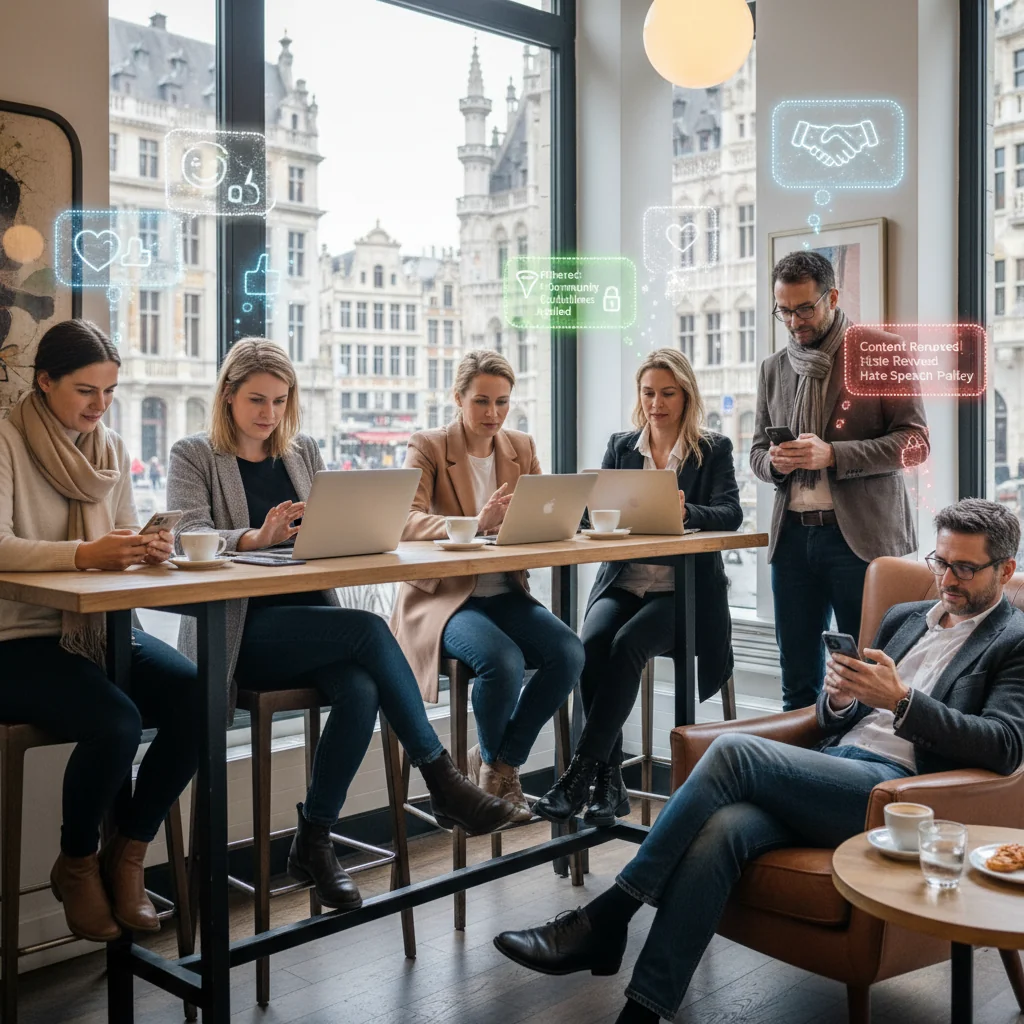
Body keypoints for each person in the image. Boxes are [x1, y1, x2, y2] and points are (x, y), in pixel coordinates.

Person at [495, 498, 1024, 1024]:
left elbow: (1004, 743)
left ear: (1005, 570)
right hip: (834, 768)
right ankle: (642, 1012)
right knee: (723, 829)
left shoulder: (1013, 640)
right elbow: (834, 716)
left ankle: (608, 917)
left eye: (965, 568)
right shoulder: (905, 617)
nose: (947, 580)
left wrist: (902, 702)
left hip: (900, 796)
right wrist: (841, 696)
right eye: (940, 562)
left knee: (733, 752)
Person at [166, 339, 517, 911]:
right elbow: (188, 536)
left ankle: (314, 840)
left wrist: (350, 535)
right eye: (257, 400)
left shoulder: (301, 451)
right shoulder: (194, 454)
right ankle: (444, 781)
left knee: (360, 689)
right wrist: (255, 539)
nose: (269, 413)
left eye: (281, 401)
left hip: (309, 622)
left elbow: (330, 529)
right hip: (241, 632)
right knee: (370, 631)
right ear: (227, 397)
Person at [0, 319, 203, 943]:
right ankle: (78, 863)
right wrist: (86, 555)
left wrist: (145, 548)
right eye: (87, 391)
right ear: (45, 382)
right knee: (114, 721)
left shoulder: (107, 446)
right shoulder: (5, 440)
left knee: (200, 695)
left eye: (110, 391)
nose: (101, 406)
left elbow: (113, 543)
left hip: (97, 629)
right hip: (18, 638)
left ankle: (130, 853)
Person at [532, 348, 741, 827]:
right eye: (648, 392)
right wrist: (595, 510)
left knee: (627, 645)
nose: (656, 403)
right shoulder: (622, 446)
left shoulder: (713, 449)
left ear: (686, 394)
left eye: (667, 393)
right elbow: (591, 514)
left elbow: (731, 513)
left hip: (681, 594)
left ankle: (581, 774)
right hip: (624, 582)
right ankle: (610, 780)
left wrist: (686, 511)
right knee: (589, 645)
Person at [391, 350, 585, 819]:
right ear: (457, 398)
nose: (493, 414)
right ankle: (499, 775)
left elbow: (547, 512)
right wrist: (477, 523)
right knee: (503, 660)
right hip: (446, 600)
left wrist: (552, 519)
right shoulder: (429, 446)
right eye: (481, 402)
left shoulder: (521, 447)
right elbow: (405, 520)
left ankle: (498, 765)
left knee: (570, 653)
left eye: (502, 402)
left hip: (505, 594)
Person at [750, 251, 930, 710]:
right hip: (792, 541)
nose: (794, 322)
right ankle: (792, 779)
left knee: (866, 681)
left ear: (832, 297)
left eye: (804, 308)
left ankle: (853, 775)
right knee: (797, 684)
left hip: (861, 543)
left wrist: (833, 455)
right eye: (784, 310)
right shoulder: (773, 368)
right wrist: (775, 463)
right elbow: (754, 453)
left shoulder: (879, 351)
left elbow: (915, 444)